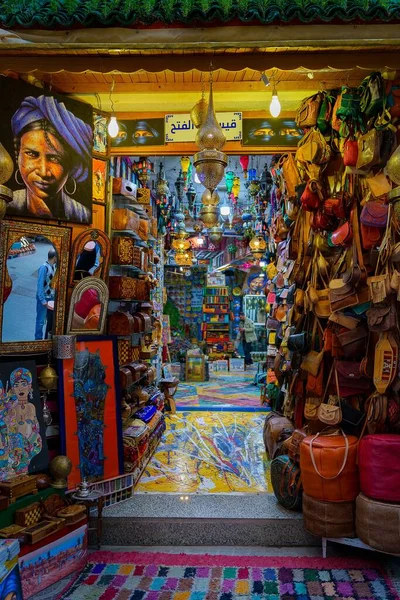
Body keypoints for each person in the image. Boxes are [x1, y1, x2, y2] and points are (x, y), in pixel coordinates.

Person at [7, 94, 92, 223]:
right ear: (18, 155)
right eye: (32, 154)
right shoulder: (7, 205)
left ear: (71, 165)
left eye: (55, 158)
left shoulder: (82, 215)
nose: (43, 172)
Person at [35, 249, 57, 340]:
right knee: (40, 321)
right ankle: (38, 341)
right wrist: (42, 299)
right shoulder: (44, 268)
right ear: (54, 257)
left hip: (50, 298)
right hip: (44, 299)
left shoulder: (53, 267)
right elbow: (40, 285)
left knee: (48, 321)